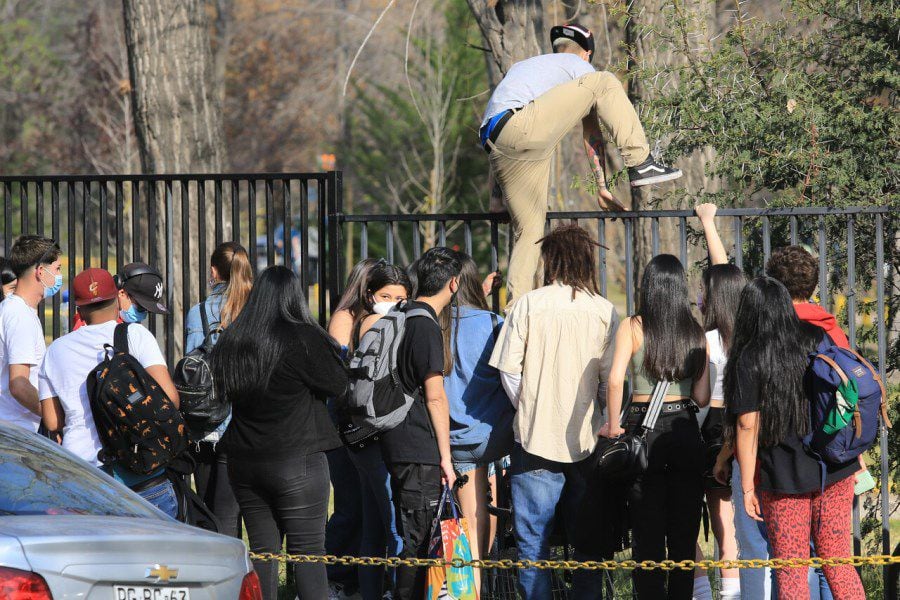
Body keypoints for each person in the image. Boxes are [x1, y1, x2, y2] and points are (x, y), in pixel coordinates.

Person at [480, 22, 682, 301]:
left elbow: (502, 126)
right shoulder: (579, 68)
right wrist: (603, 184)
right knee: (607, 81)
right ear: (586, 54)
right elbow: (591, 132)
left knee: (530, 232)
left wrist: (496, 198)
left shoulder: (525, 69)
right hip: (523, 126)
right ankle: (640, 160)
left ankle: (517, 311)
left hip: (497, 145)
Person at [490, 224, 617, 599]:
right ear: (587, 259)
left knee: (533, 546)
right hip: (587, 439)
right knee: (588, 545)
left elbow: (508, 369)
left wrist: (529, 403)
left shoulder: (529, 303)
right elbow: (610, 381)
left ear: (550, 258)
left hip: (533, 437)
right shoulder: (603, 310)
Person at [212, 265, 348, 600]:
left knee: (262, 554)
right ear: (295, 297)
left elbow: (221, 389)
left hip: (244, 460)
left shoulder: (234, 338)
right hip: (297, 459)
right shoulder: (303, 337)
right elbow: (338, 383)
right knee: (308, 555)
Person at [727, 277, 863, 600]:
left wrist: (748, 486)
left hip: (785, 476)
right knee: (839, 563)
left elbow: (747, 425)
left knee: (791, 571)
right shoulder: (817, 337)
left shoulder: (751, 356)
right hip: (833, 468)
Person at [601, 253, 710, 599]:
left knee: (646, 535)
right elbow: (703, 396)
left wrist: (612, 426)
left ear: (648, 287)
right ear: (680, 288)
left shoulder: (633, 326)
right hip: (684, 429)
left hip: (642, 429)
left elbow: (616, 380)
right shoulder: (695, 332)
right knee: (683, 535)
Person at [38, 268, 181, 517]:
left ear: (79, 309)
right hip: (140, 473)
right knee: (155, 556)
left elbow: (52, 421)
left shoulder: (55, 351)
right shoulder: (135, 335)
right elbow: (170, 399)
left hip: (82, 475)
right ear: (117, 299)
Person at [379, 247, 457, 600]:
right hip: (419, 448)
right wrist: (446, 457)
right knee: (421, 544)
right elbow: (436, 397)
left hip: (395, 442)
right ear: (453, 284)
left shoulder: (400, 316)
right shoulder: (425, 326)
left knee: (414, 538)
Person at [330, 259, 409, 600]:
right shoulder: (358, 320)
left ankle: (365, 588)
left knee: (372, 519)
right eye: (384, 294)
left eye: (398, 296)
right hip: (359, 426)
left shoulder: (374, 319)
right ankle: (337, 580)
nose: (392, 302)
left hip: (364, 428)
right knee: (363, 512)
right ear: (367, 292)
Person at [443, 252, 514, 592]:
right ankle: (482, 580)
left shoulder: (435, 323)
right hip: (490, 435)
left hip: (446, 438)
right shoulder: (493, 324)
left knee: (460, 513)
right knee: (483, 510)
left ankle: (462, 585)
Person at [184, 242, 253, 540]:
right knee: (236, 512)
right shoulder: (254, 311)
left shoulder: (198, 313)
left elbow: (191, 368)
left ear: (214, 271)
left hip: (206, 425)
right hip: (245, 424)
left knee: (209, 509)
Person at [692, 204, 743, 600]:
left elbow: (702, 396)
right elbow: (726, 279)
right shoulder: (749, 336)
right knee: (737, 527)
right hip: (748, 424)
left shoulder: (706, 341)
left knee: (715, 518)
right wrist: (709, 224)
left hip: (713, 428)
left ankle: (705, 594)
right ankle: (735, 592)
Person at [0, 236, 62, 432]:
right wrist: (52, 417)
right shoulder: (20, 316)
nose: (60, 276)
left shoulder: (13, 309)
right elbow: (18, 383)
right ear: (41, 272)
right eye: (57, 269)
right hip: (17, 432)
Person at [72, 262, 170, 330]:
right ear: (122, 293)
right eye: (140, 307)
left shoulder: (130, 326)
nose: (143, 315)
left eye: (146, 310)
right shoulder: (90, 323)